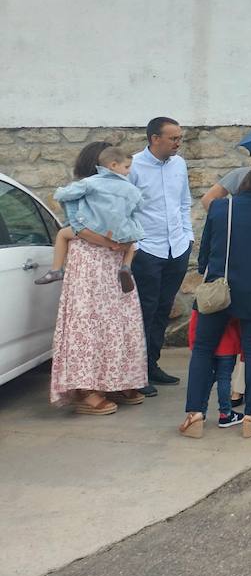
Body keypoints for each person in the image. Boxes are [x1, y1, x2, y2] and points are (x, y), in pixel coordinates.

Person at [180, 168, 251, 439]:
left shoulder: (219, 208)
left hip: (219, 289)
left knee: (203, 350)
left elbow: (204, 256)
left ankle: (195, 414)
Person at [48, 140, 149, 415]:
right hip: (90, 261)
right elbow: (74, 227)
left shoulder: (116, 191)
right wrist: (111, 244)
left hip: (112, 261)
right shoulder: (85, 189)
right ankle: (87, 389)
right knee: (89, 324)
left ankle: (116, 379)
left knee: (118, 322)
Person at [128, 117, 193, 396]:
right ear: (155, 138)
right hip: (147, 249)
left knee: (163, 309)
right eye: (173, 138)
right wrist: (137, 244)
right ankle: (136, 372)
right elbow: (125, 208)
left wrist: (187, 237)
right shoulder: (133, 166)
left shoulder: (179, 164)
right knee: (144, 310)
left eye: (180, 138)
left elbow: (184, 202)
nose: (178, 143)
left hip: (176, 247)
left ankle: (152, 364)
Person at [36, 146, 143, 292]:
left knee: (62, 234)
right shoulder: (130, 188)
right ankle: (126, 267)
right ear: (113, 165)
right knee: (132, 244)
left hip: (91, 238)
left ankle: (56, 269)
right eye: (127, 167)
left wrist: (61, 193)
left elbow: (75, 223)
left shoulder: (89, 184)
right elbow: (138, 206)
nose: (129, 171)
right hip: (118, 239)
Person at [185, 309, 243, 429]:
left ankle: (201, 412)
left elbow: (194, 322)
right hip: (228, 347)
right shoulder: (231, 302)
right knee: (225, 379)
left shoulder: (205, 301)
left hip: (207, 349)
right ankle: (225, 413)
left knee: (207, 380)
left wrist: (193, 344)